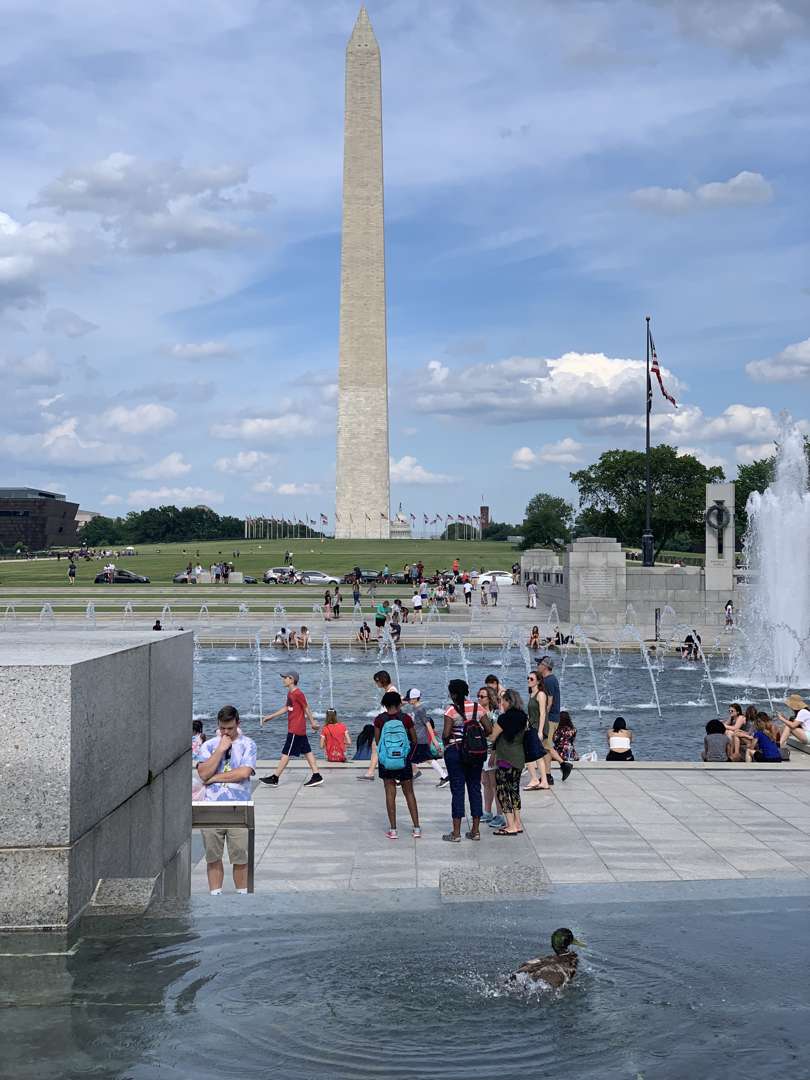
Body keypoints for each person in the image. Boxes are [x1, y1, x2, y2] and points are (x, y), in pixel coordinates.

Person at [196, 705, 257, 894]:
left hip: (238, 807)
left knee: (239, 854)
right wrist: (220, 749)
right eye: (222, 728)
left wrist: (214, 778)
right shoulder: (209, 746)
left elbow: (244, 772)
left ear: (238, 724)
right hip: (211, 809)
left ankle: (242, 895)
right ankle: (216, 895)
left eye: (230, 728)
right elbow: (203, 772)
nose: (226, 732)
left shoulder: (248, 744)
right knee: (213, 855)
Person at [441, 678, 493, 842]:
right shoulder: (477, 708)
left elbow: (445, 734)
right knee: (475, 788)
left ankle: (456, 833)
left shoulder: (451, 710)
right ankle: (475, 831)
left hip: (455, 752)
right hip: (475, 754)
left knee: (457, 791)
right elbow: (489, 730)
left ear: (453, 694)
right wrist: (474, 740)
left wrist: (447, 743)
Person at [259, 670, 323, 787]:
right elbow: (287, 708)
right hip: (297, 728)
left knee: (286, 752)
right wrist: (271, 716)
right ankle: (316, 775)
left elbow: (306, 709)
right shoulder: (290, 694)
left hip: (296, 729)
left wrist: (313, 724)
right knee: (307, 752)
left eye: (285, 678)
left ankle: (275, 777)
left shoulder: (298, 694)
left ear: (292, 680)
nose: (283, 680)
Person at [375, 691, 421, 839]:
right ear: (399, 704)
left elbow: (378, 742)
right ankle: (416, 828)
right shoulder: (405, 718)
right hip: (403, 760)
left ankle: (393, 830)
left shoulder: (379, 720)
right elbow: (414, 739)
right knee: (409, 793)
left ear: (385, 705)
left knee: (390, 793)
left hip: (386, 762)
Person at [489, 688, 528, 835]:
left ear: (509, 701)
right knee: (514, 790)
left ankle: (510, 825)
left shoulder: (504, 719)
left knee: (502, 792)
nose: (501, 704)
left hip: (505, 758)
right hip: (519, 758)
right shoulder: (524, 716)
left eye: (503, 701)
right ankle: (518, 823)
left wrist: (491, 732)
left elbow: (493, 737)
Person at [357, 671, 398, 781]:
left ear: (382, 680)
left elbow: (396, 706)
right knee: (376, 747)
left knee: (382, 747)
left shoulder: (392, 691)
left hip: (388, 726)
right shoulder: (388, 691)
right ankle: (370, 773)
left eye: (377, 681)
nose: (376, 683)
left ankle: (404, 774)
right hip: (384, 725)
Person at [404, 688, 448, 785]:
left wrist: (434, 740)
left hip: (418, 740)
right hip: (420, 739)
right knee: (429, 759)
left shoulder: (420, 709)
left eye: (409, 699)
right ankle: (444, 776)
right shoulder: (415, 709)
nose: (408, 701)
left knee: (408, 758)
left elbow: (427, 723)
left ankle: (401, 779)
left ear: (415, 699)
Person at [477, 685, 506, 829]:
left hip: (491, 751)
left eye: (482, 696)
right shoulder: (478, 713)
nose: (479, 699)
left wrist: (493, 754)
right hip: (481, 752)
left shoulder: (496, 714)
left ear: (490, 698)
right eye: (478, 696)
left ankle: (500, 815)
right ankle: (487, 811)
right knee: (485, 782)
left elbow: (498, 736)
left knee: (495, 783)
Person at [538, 656, 561, 749]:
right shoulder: (547, 680)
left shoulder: (550, 681)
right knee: (545, 746)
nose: (537, 666)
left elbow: (549, 702)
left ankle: (550, 764)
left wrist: (543, 718)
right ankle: (562, 762)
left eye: (539, 664)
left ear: (545, 666)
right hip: (550, 717)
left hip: (550, 718)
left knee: (546, 747)